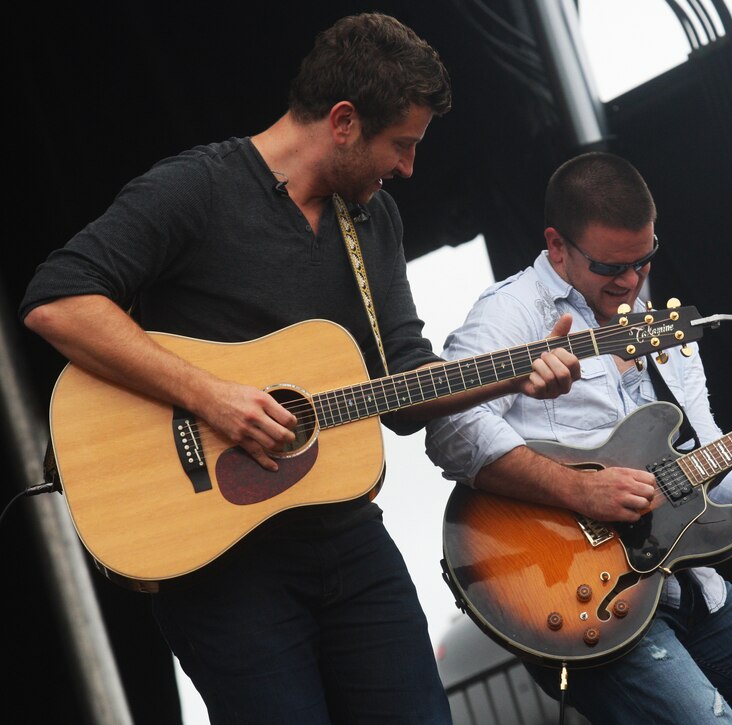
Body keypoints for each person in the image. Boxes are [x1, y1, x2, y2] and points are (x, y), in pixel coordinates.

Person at [20, 12, 580, 725]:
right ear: (343, 121)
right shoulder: (198, 188)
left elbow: (403, 386)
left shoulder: (374, 223)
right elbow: (57, 302)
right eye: (400, 145)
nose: (407, 168)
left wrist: (514, 374)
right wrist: (214, 398)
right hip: (223, 566)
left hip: (347, 540)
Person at [425, 151, 732, 723]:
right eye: (612, 267)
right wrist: (579, 491)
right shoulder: (512, 312)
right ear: (557, 246)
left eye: (644, 261)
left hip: (688, 582)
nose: (631, 281)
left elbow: (707, 460)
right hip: (581, 595)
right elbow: (449, 427)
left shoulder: (661, 328)